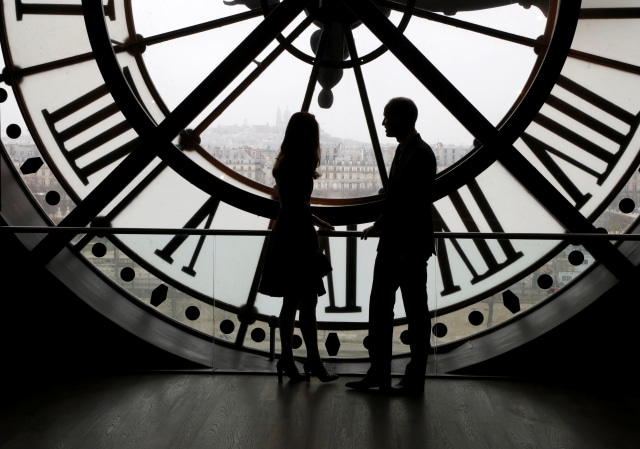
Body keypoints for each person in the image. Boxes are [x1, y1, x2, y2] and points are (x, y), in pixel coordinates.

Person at [345, 97, 436, 396]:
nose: (383, 123)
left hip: (396, 245)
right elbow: (412, 203)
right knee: (416, 314)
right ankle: (412, 380)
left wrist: (380, 225)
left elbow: (399, 200)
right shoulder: (419, 153)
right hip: (409, 245)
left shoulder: (408, 153)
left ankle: (379, 371)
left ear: (400, 119)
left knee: (380, 310)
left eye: (386, 118)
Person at [258, 111, 339, 383]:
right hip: (300, 239)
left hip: (287, 236)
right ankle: (312, 361)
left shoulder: (286, 165)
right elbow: (300, 205)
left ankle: (288, 359)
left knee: (291, 302)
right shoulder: (299, 166)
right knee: (308, 302)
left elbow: (291, 205)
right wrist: (316, 223)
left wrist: (313, 220)